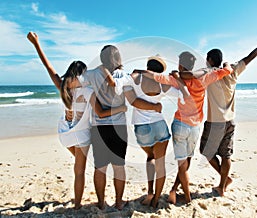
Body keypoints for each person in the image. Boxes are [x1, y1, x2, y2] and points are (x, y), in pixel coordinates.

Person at [27, 32, 127, 209]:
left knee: (85, 167)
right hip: (86, 134)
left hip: (66, 133)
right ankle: (97, 204)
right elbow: (102, 111)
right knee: (98, 168)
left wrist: (36, 44)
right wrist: (121, 108)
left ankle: (87, 203)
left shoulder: (63, 88)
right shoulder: (88, 90)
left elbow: (49, 68)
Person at [77, 45, 163, 210]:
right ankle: (118, 202)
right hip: (118, 127)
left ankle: (101, 203)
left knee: (100, 167)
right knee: (119, 166)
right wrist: (154, 106)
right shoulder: (123, 76)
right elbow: (133, 101)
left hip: (99, 127)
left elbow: (73, 83)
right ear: (118, 58)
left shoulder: (92, 74)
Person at [142, 51, 233, 204]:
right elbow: (226, 71)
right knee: (187, 161)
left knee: (181, 163)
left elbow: (156, 76)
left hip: (180, 124)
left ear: (180, 64)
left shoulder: (175, 79)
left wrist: (141, 72)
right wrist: (227, 65)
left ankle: (186, 196)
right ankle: (175, 190)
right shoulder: (205, 78)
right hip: (195, 126)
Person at [105, 55, 189, 208]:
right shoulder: (163, 84)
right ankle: (156, 199)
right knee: (160, 164)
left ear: (147, 65)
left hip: (141, 127)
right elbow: (183, 94)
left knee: (150, 157)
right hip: (159, 125)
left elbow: (128, 95)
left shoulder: (136, 78)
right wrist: (176, 79)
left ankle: (150, 192)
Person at [199, 34, 257, 197]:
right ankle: (223, 186)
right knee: (226, 154)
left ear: (209, 60)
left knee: (206, 151)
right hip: (230, 121)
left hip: (214, 122)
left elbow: (191, 76)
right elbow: (249, 58)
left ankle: (225, 180)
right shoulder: (232, 70)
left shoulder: (209, 74)